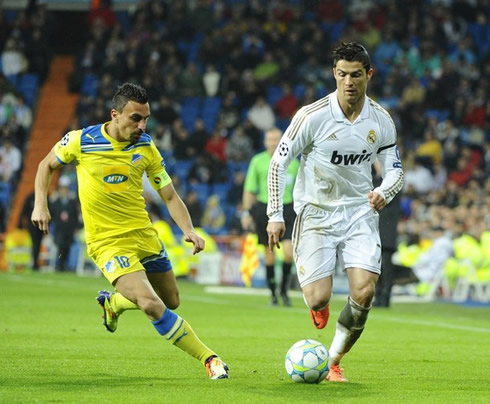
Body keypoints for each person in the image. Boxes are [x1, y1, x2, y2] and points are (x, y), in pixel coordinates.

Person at [31, 83, 229, 379]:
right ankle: (209, 358)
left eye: (146, 118)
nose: (142, 125)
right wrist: (40, 205)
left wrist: (188, 229)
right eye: (136, 118)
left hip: (144, 236)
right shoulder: (81, 141)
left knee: (170, 301)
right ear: (115, 115)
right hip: (108, 243)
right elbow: (45, 166)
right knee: (150, 305)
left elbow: (170, 195)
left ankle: (113, 303)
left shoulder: (145, 146)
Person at [266, 42, 404, 382]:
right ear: (334, 74)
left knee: (364, 291)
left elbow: (395, 171)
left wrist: (384, 191)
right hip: (316, 212)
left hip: (359, 212)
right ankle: (320, 306)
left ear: (369, 75)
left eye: (356, 75)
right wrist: (275, 214)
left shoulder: (381, 121)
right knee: (317, 297)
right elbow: (278, 163)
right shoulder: (311, 117)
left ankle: (334, 360)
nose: (348, 82)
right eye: (342, 74)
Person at [242, 128, 299, 306]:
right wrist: (246, 213)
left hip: (289, 208)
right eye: (269, 140)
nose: (273, 143)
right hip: (264, 209)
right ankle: (273, 293)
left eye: (276, 139)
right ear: (265, 142)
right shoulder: (257, 161)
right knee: (269, 255)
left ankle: (284, 291)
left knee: (289, 254)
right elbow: (250, 189)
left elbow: (301, 190)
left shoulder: (293, 163)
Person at [49, 176, 80, 271]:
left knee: (67, 247)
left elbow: (75, 216)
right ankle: (59, 264)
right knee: (60, 247)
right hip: (59, 229)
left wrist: (76, 227)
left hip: (69, 229)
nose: (64, 191)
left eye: (66, 189)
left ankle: (64, 264)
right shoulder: (56, 202)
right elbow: (52, 214)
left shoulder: (72, 202)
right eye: (63, 189)